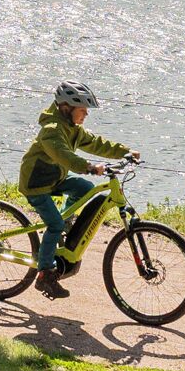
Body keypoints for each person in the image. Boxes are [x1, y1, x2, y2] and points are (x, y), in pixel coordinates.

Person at [19, 81, 138, 298]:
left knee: (85, 189)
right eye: (82, 109)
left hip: (55, 177)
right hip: (36, 184)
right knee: (54, 224)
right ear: (66, 108)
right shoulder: (51, 131)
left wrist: (125, 152)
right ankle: (45, 274)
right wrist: (89, 167)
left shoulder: (73, 129)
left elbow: (96, 143)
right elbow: (65, 156)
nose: (86, 114)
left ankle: (64, 223)